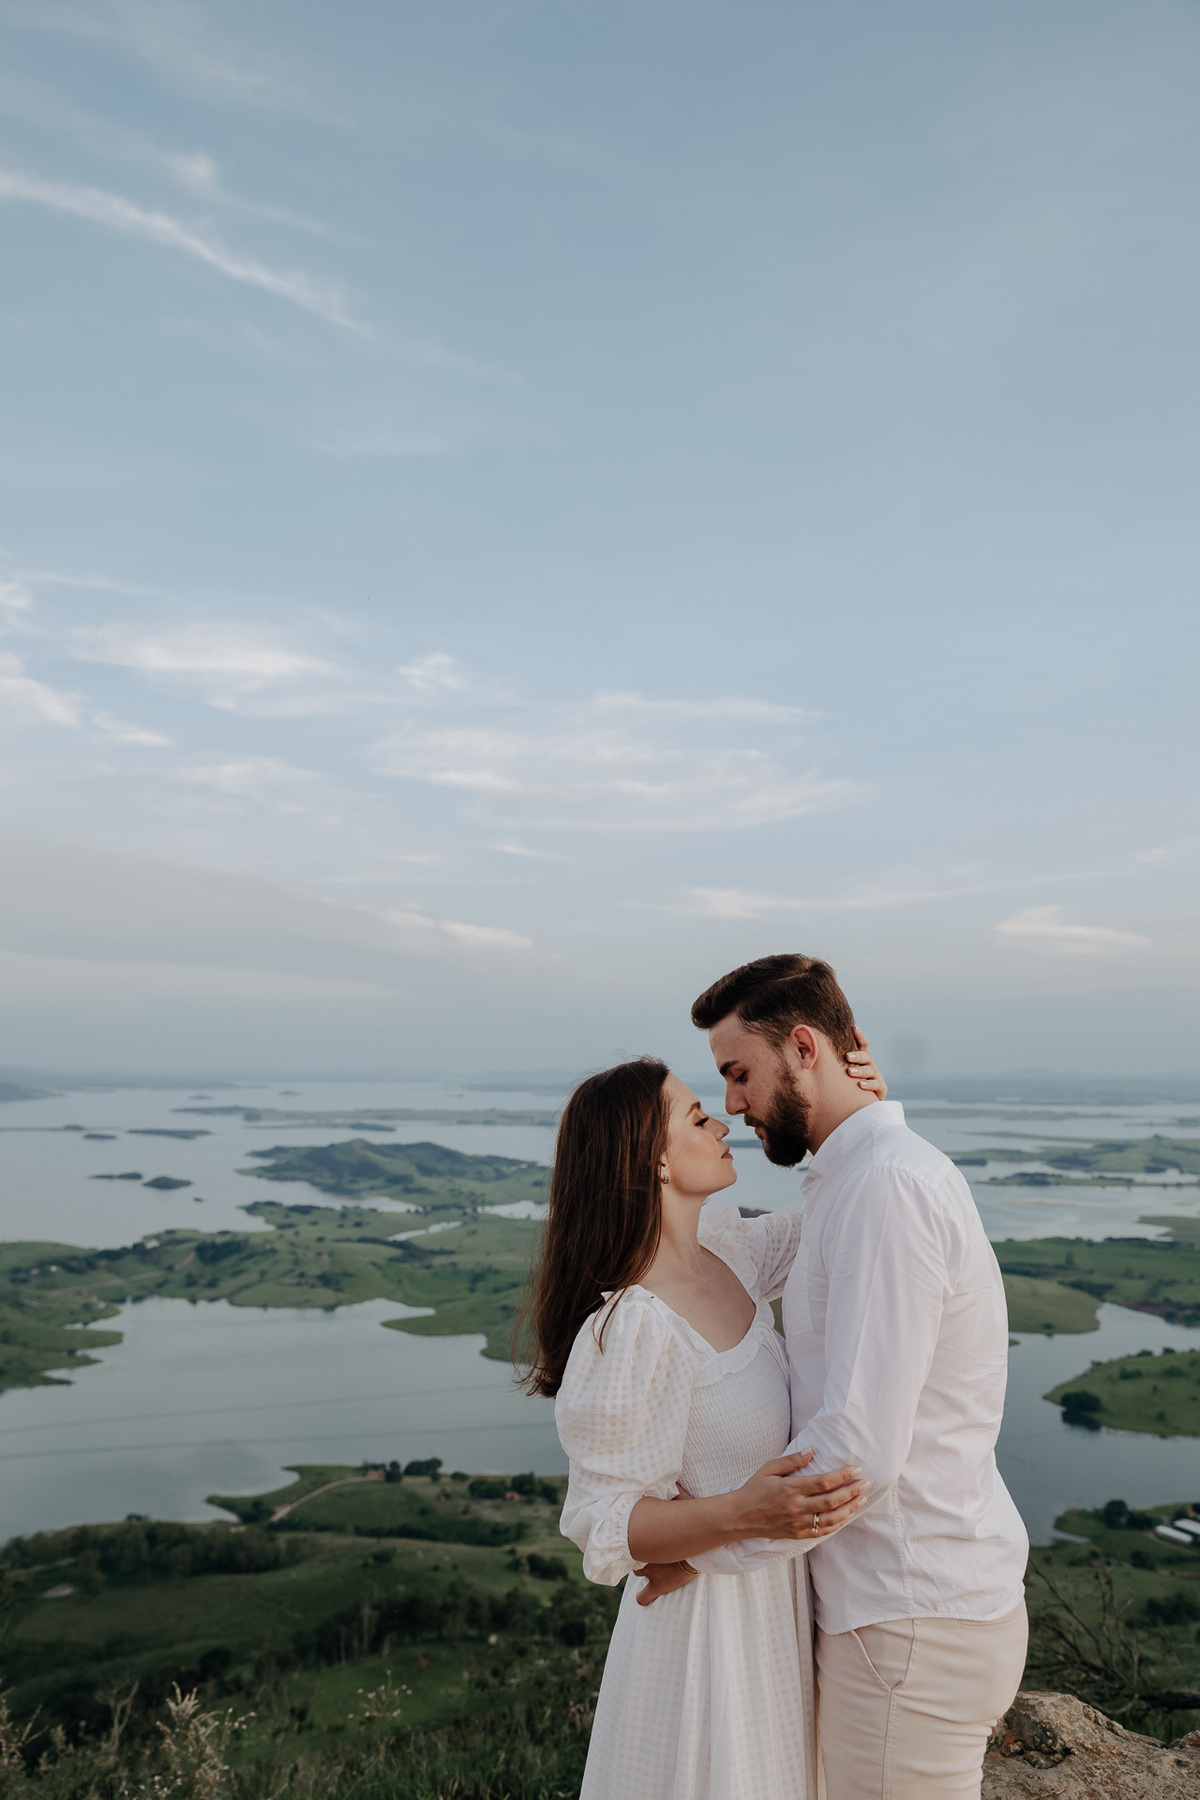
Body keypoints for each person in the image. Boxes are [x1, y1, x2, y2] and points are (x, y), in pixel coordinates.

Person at [662, 953, 1030, 1800]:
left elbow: (858, 1451)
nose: (731, 1104)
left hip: (906, 1619)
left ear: (802, 1048)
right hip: (909, 1615)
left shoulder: (884, 1189)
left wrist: (711, 1545)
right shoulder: (860, 1176)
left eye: (738, 1073)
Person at [525, 1036, 885, 1800]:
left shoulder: (730, 1250)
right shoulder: (630, 1327)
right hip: (701, 1641)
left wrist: (861, 1116)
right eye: (696, 1117)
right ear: (655, 1161)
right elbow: (603, 1523)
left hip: (774, 1611)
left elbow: (843, 1214)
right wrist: (740, 1512)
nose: (722, 1124)